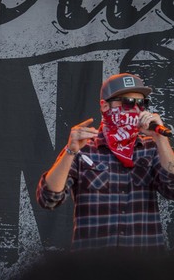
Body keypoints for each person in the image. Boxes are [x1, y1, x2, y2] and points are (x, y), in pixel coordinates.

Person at [36, 73, 174, 253]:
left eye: (141, 103)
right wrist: (70, 151)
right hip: (93, 268)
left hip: (143, 266)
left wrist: (160, 139)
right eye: (127, 102)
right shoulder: (83, 148)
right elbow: (48, 199)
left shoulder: (151, 147)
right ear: (105, 106)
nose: (136, 109)